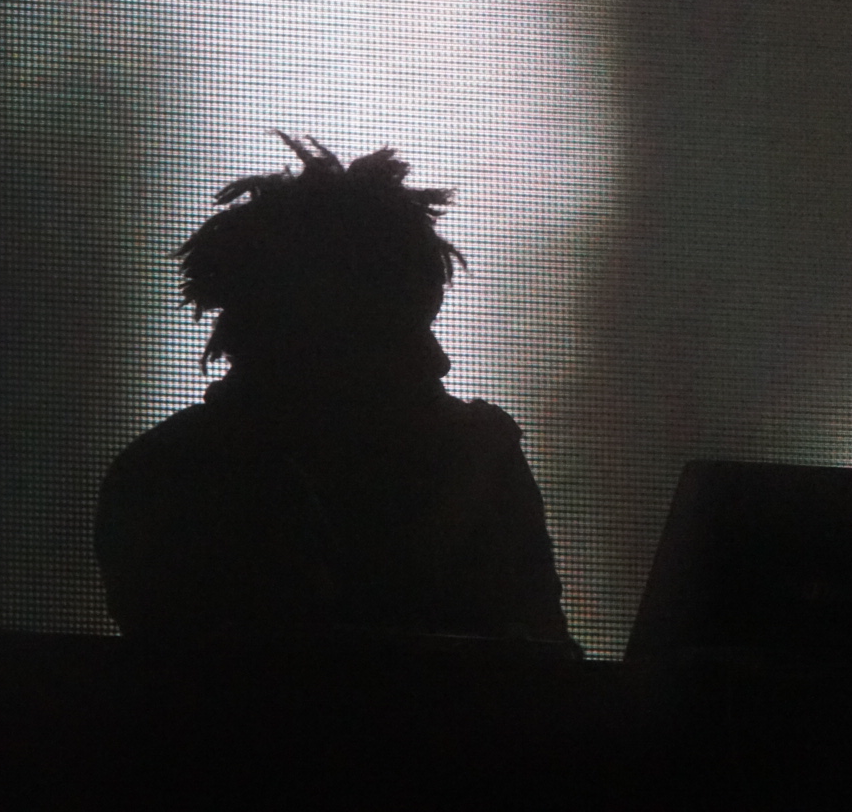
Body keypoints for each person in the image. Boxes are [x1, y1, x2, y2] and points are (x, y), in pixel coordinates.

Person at [95, 133, 573, 647]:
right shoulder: (476, 457)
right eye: (395, 334)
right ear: (309, 340)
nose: (439, 361)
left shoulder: (157, 475)